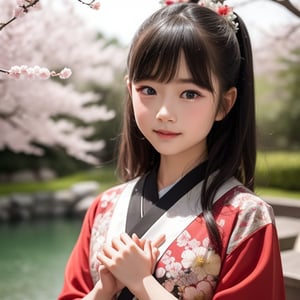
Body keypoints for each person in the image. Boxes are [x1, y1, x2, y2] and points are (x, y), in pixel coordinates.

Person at [58, 1, 286, 299]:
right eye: (148, 90)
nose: (165, 112)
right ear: (130, 90)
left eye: (189, 93)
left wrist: (142, 283)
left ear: (224, 103)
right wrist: (103, 289)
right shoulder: (104, 207)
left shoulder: (247, 218)